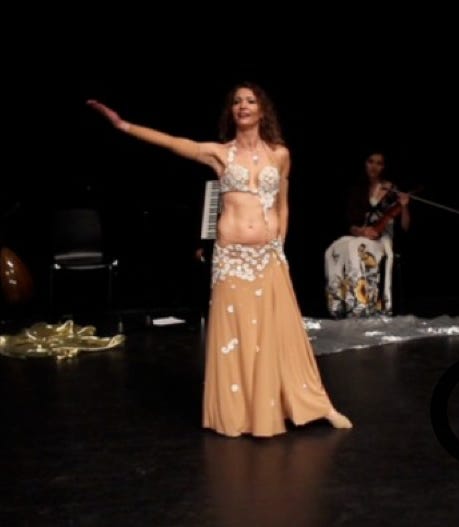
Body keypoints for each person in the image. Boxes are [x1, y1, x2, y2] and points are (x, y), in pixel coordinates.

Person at [87, 81, 352, 437]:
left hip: (268, 255)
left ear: (262, 110)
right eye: (237, 101)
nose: (243, 105)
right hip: (232, 258)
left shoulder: (280, 155)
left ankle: (316, 405)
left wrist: (280, 244)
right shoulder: (219, 154)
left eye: (250, 100)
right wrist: (124, 126)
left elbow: (282, 204)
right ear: (232, 111)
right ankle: (240, 414)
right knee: (238, 336)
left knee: (280, 334)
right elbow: (173, 143)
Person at [324, 151, 411, 318]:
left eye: (379, 163)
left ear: (384, 167)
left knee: (356, 247)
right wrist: (361, 231)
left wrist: (405, 205)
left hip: (382, 238)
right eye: (371, 161)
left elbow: (405, 227)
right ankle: (338, 305)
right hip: (361, 234)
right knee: (333, 249)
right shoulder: (357, 189)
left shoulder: (391, 189)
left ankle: (360, 305)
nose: (374, 166)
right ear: (364, 163)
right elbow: (350, 222)